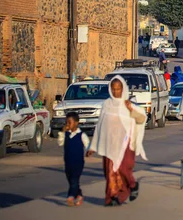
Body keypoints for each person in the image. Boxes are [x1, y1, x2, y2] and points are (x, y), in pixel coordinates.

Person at [87, 76, 147, 206]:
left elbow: (141, 119)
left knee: (124, 168)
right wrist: (93, 146)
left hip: (125, 145)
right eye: (113, 89)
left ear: (123, 89)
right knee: (110, 172)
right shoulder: (107, 104)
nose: (116, 92)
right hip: (110, 144)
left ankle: (132, 185)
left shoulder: (127, 105)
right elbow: (100, 125)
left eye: (118, 89)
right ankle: (112, 197)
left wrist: (131, 110)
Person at [59, 111, 90, 206]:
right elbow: (60, 143)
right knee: (70, 179)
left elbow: (88, 145)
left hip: (78, 162)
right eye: (66, 122)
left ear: (76, 123)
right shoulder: (66, 134)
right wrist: (62, 133)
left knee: (74, 180)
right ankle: (79, 195)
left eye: (70, 122)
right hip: (67, 162)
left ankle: (71, 196)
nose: (68, 125)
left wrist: (89, 151)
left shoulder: (81, 135)